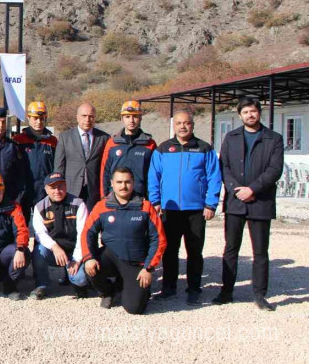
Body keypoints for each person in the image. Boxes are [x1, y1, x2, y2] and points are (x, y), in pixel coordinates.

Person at [214, 97, 284, 311]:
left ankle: (260, 294)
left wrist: (252, 189)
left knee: (260, 251)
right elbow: (224, 166)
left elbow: (274, 170)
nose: (250, 115)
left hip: (260, 202)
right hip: (235, 202)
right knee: (231, 248)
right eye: (246, 112)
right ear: (240, 115)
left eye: (253, 111)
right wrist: (238, 189)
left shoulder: (274, 139)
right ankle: (226, 291)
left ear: (259, 113)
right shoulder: (231, 137)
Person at [147, 110, 222, 305]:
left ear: (193, 125)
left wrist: (211, 203)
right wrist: (155, 202)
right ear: (174, 125)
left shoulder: (204, 149)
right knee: (170, 251)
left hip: (196, 209)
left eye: (186, 123)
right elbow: (154, 176)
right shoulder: (163, 149)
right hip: (169, 209)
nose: (182, 126)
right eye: (179, 123)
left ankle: (194, 289)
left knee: (194, 252)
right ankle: (169, 288)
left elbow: (214, 177)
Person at [82, 167, 166, 314]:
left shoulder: (145, 206)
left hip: (135, 262)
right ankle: (108, 292)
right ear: (112, 183)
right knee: (89, 267)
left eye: (127, 182)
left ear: (133, 183)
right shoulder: (102, 206)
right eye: (119, 182)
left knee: (135, 309)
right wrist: (89, 258)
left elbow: (159, 239)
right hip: (111, 256)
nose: (123, 186)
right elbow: (87, 233)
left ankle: (132, 287)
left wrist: (148, 268)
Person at [29, 172, 90, 300]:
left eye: (61, 186)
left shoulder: (79, 204)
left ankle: (79, 284)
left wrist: (77, 259)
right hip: (54, 252)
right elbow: (40, 234)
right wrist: (55, 247)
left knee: (80, 279)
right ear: (45, 189)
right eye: (53, 187)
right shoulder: (39, 207)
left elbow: (83, 234)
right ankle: (42, 285)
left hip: (75, 249)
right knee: (38, 251)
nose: (57, 190)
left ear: (66, 186)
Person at [53, 103, 110, 211]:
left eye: (91, 116)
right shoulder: (65, 137)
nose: (87, 119)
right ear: (77, 117)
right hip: (71, 190)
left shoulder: (104, 138)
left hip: (94, 191)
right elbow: (59, 166)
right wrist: (59, 188)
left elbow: (106, 166)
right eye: (84, 116)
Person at [100, 100, 157, 198]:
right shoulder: (112, 143)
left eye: (135, 116)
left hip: (140, 198)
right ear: (122, 118)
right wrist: (104, 196)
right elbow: (104, 172)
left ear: (140, 118)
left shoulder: (150, 144)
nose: (131, 120)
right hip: (114, 198)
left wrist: (153, 199)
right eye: (127, 117)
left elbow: (154, 175)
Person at [14, 101, 57, 207]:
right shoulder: (18, 140)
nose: (39, 122)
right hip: (23, 192)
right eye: (35, 118)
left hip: (45, 192)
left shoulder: (53, 141)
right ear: (28, 118)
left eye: (42, 119)